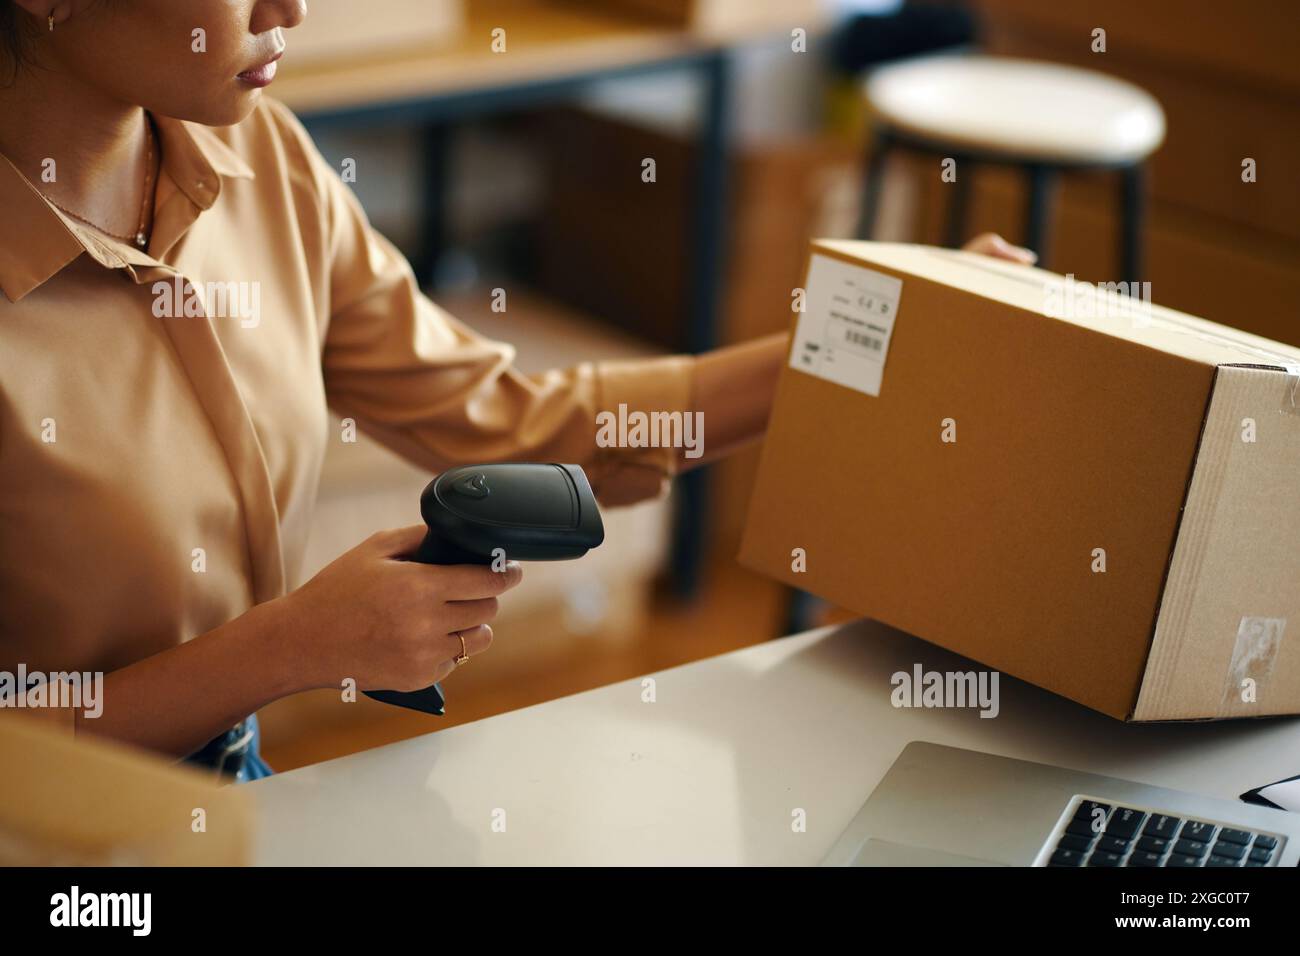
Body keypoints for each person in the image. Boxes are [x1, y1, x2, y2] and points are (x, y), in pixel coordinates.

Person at [0, 0, 1034, 778]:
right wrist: (287, 647)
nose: (293, 9)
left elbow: (512, 423)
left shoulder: (257, 153)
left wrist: (870, 340)